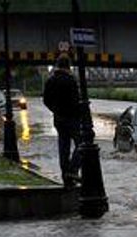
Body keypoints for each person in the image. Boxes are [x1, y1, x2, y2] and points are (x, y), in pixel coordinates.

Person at [43, 54, 82, 187]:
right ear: (68, 66)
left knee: (63, 147)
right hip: (72, 117)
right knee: (82, 144)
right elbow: (76, 100)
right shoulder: (71, 81)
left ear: (58, 65)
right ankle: (72, 169)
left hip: (59, 119)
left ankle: (66, 176)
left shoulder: (50, 80)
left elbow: (46, 100)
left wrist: (55, 110)